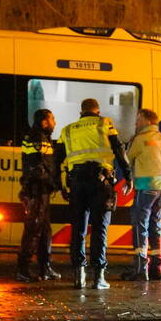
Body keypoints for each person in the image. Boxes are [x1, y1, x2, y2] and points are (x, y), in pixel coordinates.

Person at [54, 98, 131, 289]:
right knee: (99, 229)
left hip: (77, 183)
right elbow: (118, 149)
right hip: (100, 182)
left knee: (78, 230)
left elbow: (57, 160)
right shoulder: (104, 123)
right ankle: (98, 278)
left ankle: (78, 277)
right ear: (97, 111)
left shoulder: (68, 129)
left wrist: (60, 185)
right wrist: (128, 175)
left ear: (81, 112)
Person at [121, 108, 161, 281]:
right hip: (160, 189)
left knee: (139, 226)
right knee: (156, 225)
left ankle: (140, 268)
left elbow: (127, 160)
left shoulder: (140, 139)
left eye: (138, 120)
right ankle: (158, 268)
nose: (136, 123)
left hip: (144, 188)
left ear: (147, 121)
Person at [16, 109, 62, 282]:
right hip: (37, 191)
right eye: (52, 119)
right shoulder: (37, 138)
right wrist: (53, 183)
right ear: (44, 122)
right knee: (33, 229)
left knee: (44, 231)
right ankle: (23, 269)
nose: (55, 122)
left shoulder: (41, 137)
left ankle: (45, 267)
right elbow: (38, 167)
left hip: (41, 191)